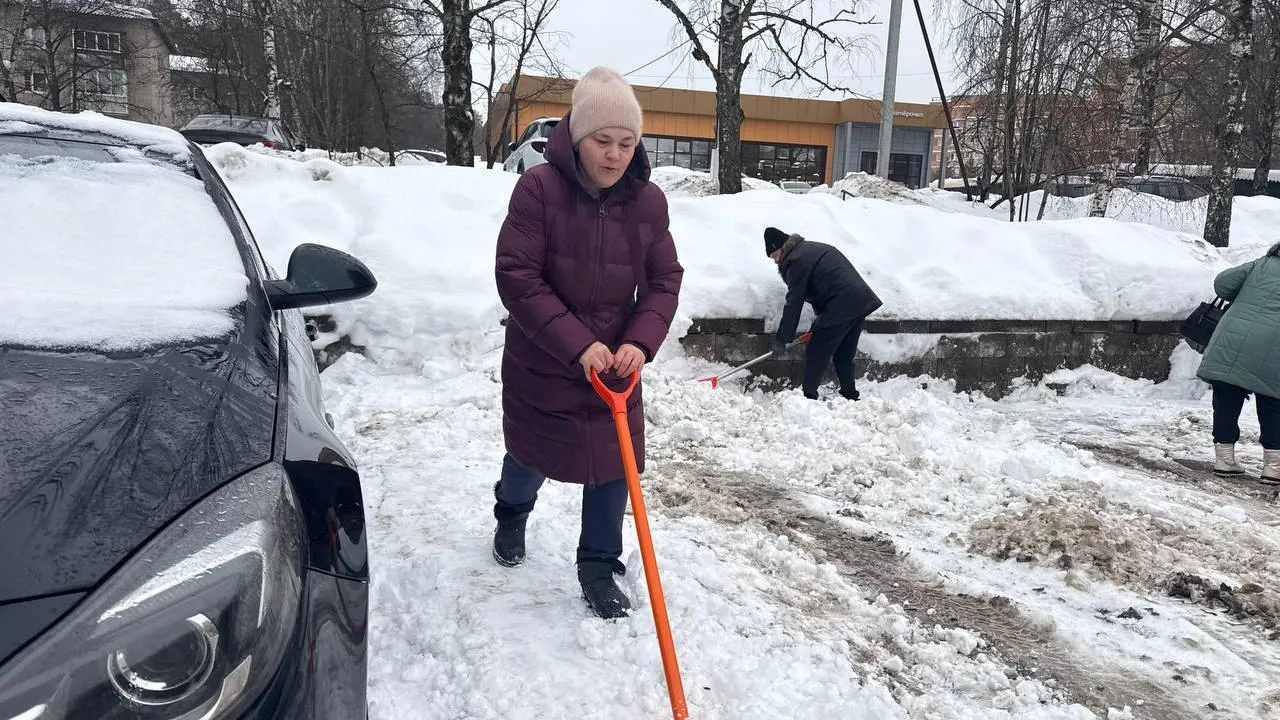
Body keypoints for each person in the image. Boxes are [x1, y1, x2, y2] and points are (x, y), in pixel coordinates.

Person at [492, 67, 684, 619]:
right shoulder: (539, 190)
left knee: (612, 464)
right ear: (577, 137)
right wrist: (577, 345)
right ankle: (511, 511)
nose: (616, 154)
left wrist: (641, 343)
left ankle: (598, 567)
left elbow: (664, 280)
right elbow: (517, 276)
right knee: (530, 454)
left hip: (616, 363)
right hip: (545, 357)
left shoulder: (647, 203)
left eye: (627, 143)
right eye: (603, 141)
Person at [765, 226, 882, 401]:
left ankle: (808, 397)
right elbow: (825, 282)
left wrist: (783, 338)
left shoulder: (795, 261)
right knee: (844, 354)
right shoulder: (811, 248)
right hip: (859, 301)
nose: (775, 262)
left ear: (783, 248)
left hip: (840, 304)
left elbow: (794, 302)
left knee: (816, 351)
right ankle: (850, 395)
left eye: (775, 256)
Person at [1197, 242, 1280, 483]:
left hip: (1234, 338)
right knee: (1273, 403)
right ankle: (1273, 467)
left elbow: (1222, 285)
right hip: (1275, 345)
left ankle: (1224, 459)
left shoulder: (1262, 264)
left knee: (1226, 397)